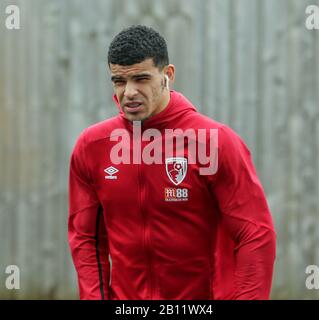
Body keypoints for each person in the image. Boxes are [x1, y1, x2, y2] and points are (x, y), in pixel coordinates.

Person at [68, 25, 276, 300]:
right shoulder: (92, 146)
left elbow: (255, 236)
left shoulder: (215, 143)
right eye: (119, 81)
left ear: (168, 76)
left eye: (141, 79)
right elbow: (87, 240)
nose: (129, 92)